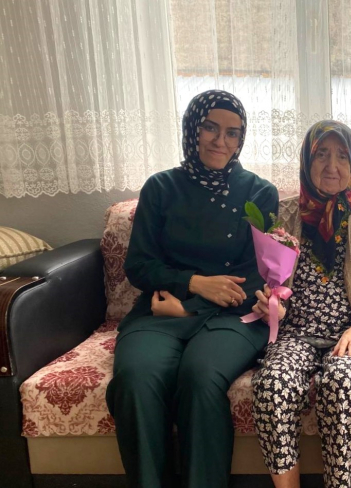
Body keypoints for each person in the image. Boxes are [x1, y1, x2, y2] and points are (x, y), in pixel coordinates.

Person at [105, 89, 279, 488]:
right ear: (192, 129)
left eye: (233, 133)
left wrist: (190, 308)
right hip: (160, 312)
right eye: (211, 128)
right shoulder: (161, 187)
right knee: (136, 379)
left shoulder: (259, 191)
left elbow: (258, 275)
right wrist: (193, 283)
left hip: (233, 316)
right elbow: (139, 265)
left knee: (200, 377)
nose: (221, 141)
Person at [250, 120, 351, 488]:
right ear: (306, 159)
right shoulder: (282, 213)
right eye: (321, 155)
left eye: (342, 156)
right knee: (272, 384)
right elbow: (268, 279)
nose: (332, 166)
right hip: (295, 333)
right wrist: (270, 302)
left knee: (343, 381)